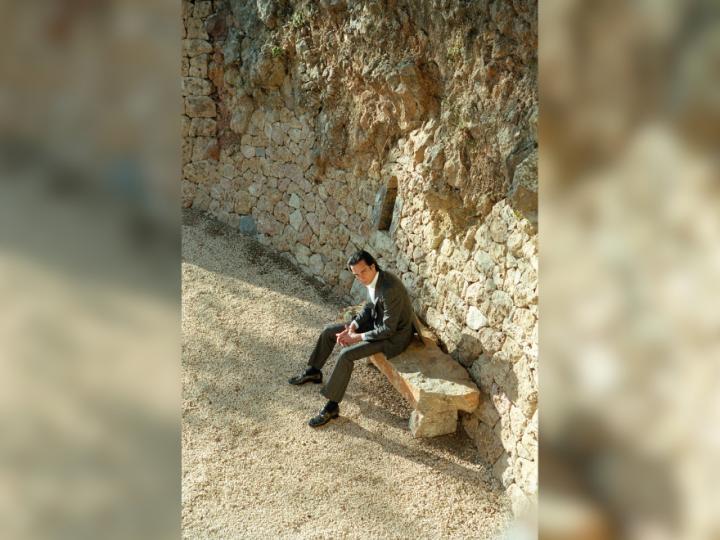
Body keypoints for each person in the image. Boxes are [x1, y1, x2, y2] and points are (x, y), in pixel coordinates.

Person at [288, 249, 419, 427]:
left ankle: (332, 407)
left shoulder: (390, 289)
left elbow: (388, 329)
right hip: (376, 323)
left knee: (346, 355)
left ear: (373, 266)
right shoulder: (373, 279)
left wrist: (356, 338)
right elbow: (368, 307)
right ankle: (313, 371)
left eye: (363, 271)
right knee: (329, 331)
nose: (361, 277)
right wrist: (353, 326)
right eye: (356, 275)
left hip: (394, 337)